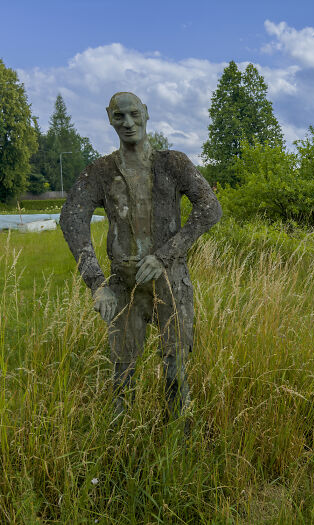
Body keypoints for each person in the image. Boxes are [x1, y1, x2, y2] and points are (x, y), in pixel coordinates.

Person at [60, 92, 222, 417]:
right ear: (109, 118)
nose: (128, 123)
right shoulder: (101, 171)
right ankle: (123, 446)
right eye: (119, 116)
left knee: (176, 370)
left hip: (171, 283)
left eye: (134, 114)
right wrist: (96, 283)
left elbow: (210, 208)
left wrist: (165, 255)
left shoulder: (172, 163)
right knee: (123, 373)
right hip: (124, 284)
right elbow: (71, 218)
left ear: (146, 113)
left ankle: (179, 441)